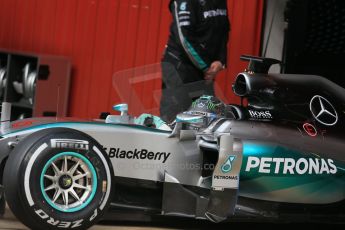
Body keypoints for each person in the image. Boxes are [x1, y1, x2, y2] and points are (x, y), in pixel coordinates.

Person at [160, 0, 230, 122]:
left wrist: (220, 61)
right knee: (174, 118)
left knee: (208, 116)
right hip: (181, 67)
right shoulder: (184, 2)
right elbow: (184, 38)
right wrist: (206, 67)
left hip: (206, 72)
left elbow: (224, 30)